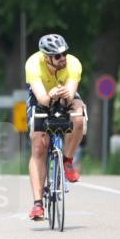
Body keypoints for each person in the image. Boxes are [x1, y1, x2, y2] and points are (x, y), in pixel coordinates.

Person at [25, 34, 85, 220]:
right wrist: (50, 95)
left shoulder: (74, 64)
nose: (63, 58)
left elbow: (71, 96)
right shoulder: (33, 64)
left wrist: (66, 95)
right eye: (57, 56)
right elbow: (42, 99)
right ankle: (37, 204)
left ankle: (67, 161)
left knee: (79, 116)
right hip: (41, 96)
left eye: (64, 53)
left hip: (65, 95)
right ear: (47, 58)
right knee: (39, 145)